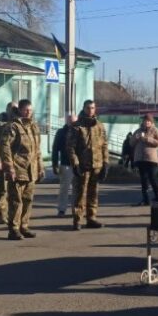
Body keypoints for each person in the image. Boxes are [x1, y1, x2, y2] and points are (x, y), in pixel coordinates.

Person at [0, 99, 44, 240]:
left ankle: (24, 226)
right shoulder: (12, 127)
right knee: (15, 201)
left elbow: (37, 151)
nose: (29, 113)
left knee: (27, 200)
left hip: (31, 171)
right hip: (18, 170)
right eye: (26, 110)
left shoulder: (33, 127)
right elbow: (5, 148)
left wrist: (40, 167)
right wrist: (9, 168)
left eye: (30, 110)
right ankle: (13, 229)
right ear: (20, 110)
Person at [66, 99, 108, 230]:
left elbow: (104, 145)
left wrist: (105, 163)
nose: (91, 110)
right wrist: (75, 163)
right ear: (84, 109)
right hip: (82, 166)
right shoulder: (77, 126)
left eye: (93, 108)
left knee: (93, 193)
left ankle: (91, 218)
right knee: (80, 194)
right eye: (88, 108)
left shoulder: (99, 126)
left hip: (96, 165)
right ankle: (78, 220)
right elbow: (70, 147)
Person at [131, 113, 158, 206]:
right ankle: (146, 199)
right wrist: (136, 138)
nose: (147, 123)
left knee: (152, 178)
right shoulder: (138, 131)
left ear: (151, 122)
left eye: (149, 121)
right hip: (140, 159)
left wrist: (147, 139)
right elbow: (131, 143)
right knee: (143, 180)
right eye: (145, 121)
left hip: (151, 159)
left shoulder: (155, 130)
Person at [52, 114, 76, 217]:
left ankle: (77, 209)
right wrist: (55, 164)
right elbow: (55, 149)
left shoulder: (80, 132)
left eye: (74, 121)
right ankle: (62, 209)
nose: (72, 123)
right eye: (70, 121)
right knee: (64, 189)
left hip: (78, 165)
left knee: (78, 189)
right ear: (66, 121)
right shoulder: (61, 132)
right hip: (65, 164)